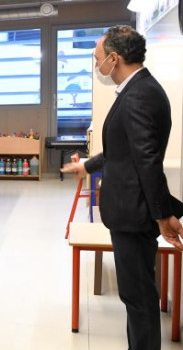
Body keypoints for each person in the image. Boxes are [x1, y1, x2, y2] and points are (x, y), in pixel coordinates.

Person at [61, 25, 183, 350]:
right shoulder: (137, 90)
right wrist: (87, 165)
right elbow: (123, 152)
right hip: (131, 212)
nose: (97, 66)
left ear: (114, 58)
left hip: (134, 215)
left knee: (139, 299)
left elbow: (147, 162)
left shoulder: (140, 94)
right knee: (135, 297)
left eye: (98, 58)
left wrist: (162, 215)